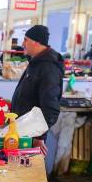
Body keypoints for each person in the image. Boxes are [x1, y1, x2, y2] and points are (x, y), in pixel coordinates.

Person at [11, 25, 64, 156]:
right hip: (23, 130)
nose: (23, 43)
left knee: (29, 170)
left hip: (32, 135)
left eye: (26, 39)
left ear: (36, 42)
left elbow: (50, 108)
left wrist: (39, 137)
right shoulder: (36, 63)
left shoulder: (48, 68)